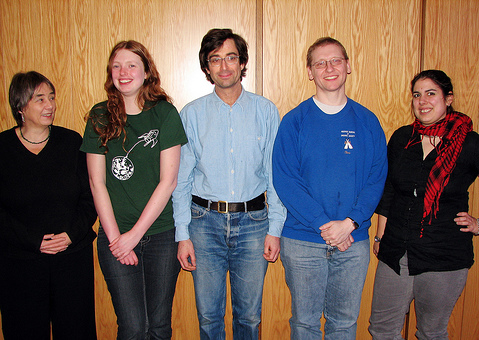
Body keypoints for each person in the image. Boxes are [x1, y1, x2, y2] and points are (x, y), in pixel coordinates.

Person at [172, 28, 286, 339]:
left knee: (248, 317)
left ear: (242, 63)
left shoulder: (266, 111)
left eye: (231, 58)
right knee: (209, 317)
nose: (224, 67)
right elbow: (181, 180)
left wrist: (274, 228)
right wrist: (182, 234)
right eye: (216, 59)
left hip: (254, 223)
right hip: (203, 223)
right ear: (206, 67)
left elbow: (275, 176)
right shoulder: (192, 114)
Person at [369, 69, 479, 339]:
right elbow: (389, 189)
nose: (422, 101)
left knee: (431, 332)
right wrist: (380, 235)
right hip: (396, 251)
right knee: (381, 329)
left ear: (448, 98)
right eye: (417, 95)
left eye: (431, 93)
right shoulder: (403, 138)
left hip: (444, 255)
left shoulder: (470, 144)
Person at [272, 37, 388, 339]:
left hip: (354, 240)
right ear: (310, 71)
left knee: (345, 323)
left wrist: (349, 223)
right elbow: (286, 180)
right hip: (303, 242)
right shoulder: (294, 121)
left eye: (336, 60)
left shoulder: (367, 121)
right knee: (305, 324)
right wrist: (325, 225)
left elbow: (377, 178)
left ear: (348, 66)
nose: (329, 68)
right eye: (320, 63)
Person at [81, 40, 187, 339]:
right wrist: (117, 239)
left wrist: (135, 236)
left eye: (131, 65)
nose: (123, 72)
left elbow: (169, 181)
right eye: (116, 66)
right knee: (132, 328)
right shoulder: (99, 115)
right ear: (110, 73)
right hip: (114, 236)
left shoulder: (165, 114)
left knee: (158, 326)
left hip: (161, 236)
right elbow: (96, 182)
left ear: (146, 72)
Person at [0, 71, 97, 339]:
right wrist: (33, 241)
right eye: (40, 99)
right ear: (20, 106)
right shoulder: (3, 148)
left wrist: (70, 235)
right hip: (20, 262)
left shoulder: (71, 142)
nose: (50, 105)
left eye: (52, 98)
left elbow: (90, 199)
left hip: (71, 258)